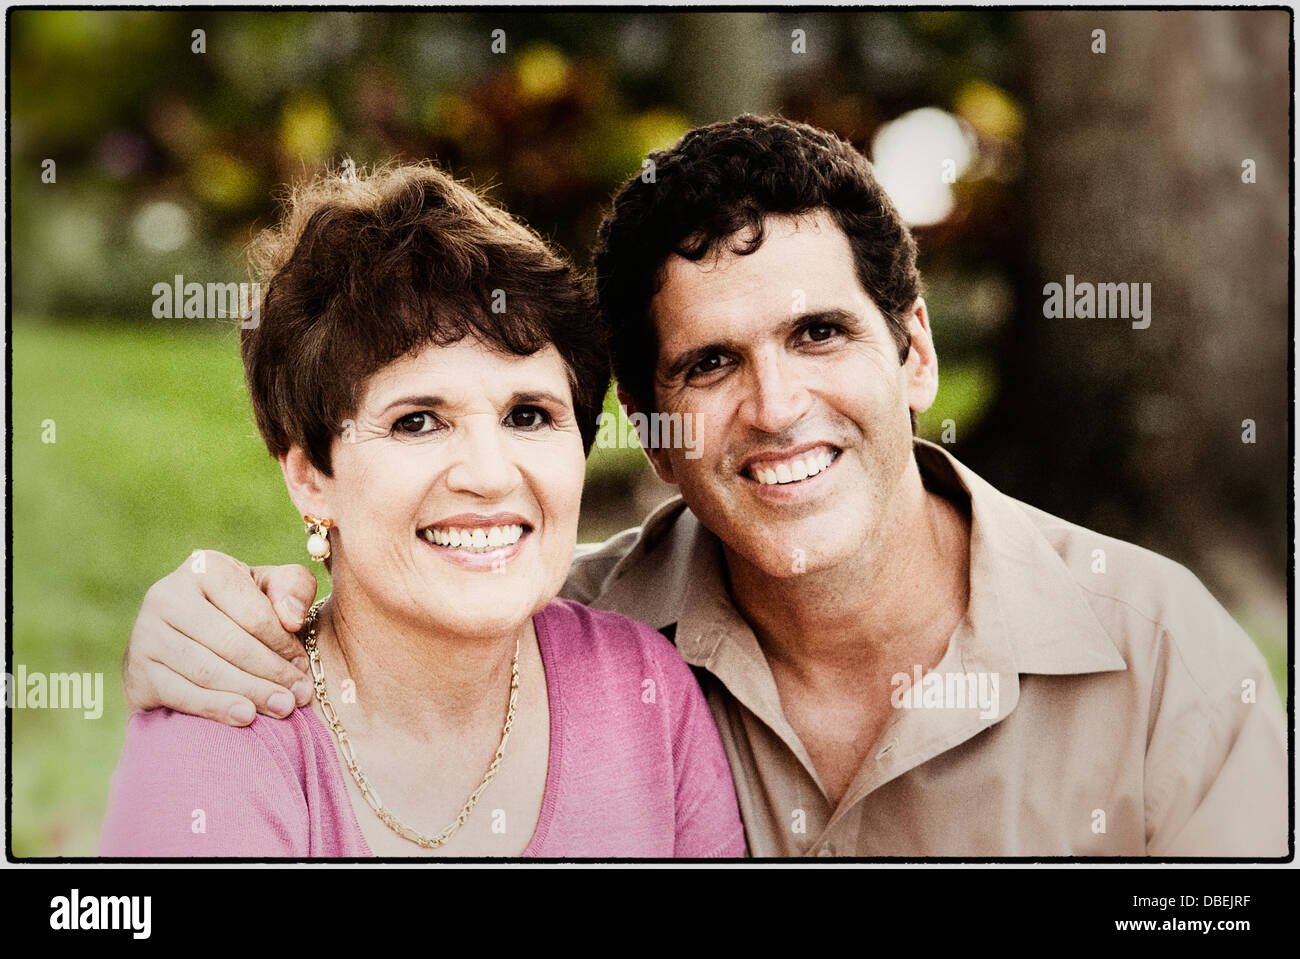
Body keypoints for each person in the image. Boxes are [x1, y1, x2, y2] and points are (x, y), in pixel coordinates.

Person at [118, 116, 1288, 857]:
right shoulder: (589, 631)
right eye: (712, 363)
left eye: (820, 333)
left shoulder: (1164, 663)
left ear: (915, 352)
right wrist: (189, 626)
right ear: (654, 429)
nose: (775, 407)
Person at [99, 162, 745, 858]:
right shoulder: (221, 731)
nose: (490, 475)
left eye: (528, 414)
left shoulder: (646, 691)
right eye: (416, 421)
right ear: (312, 476)